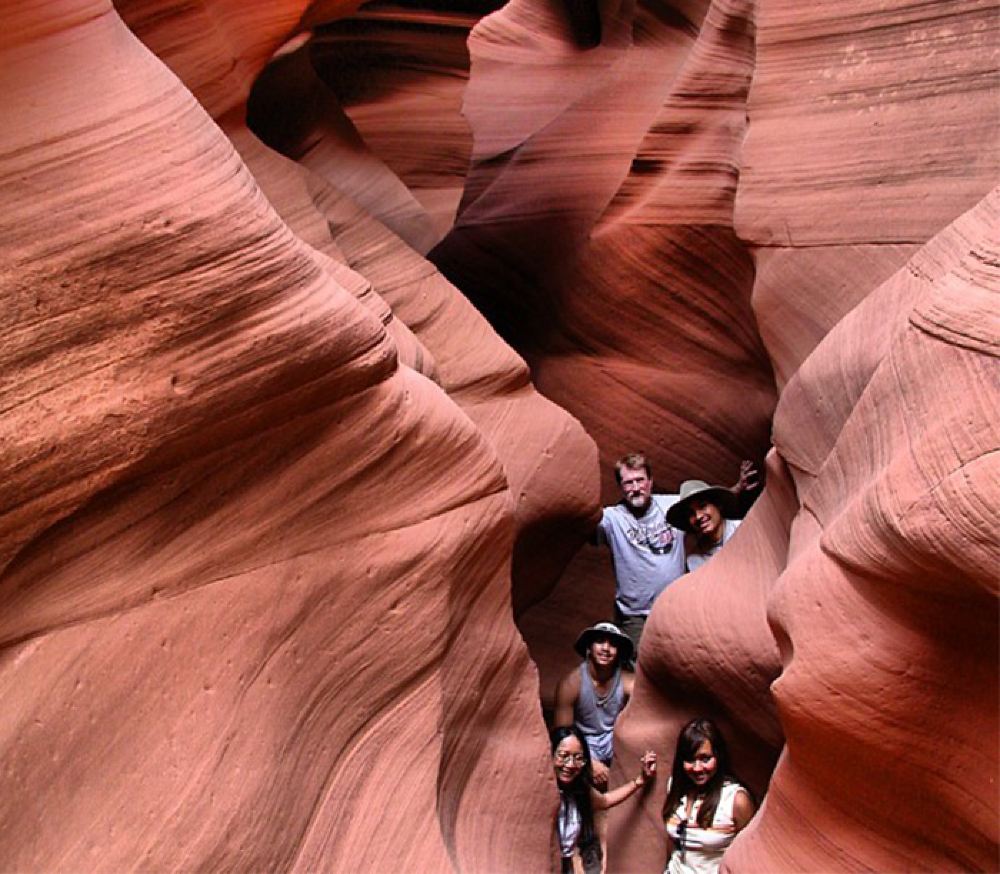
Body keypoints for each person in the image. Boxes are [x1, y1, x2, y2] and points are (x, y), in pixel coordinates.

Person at [594, 454, 756, 662]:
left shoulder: (672, 506)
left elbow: (705, 505)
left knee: (683, 661)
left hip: (675, 609)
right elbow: (582, 525)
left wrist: (737, 489)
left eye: (640, 480)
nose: (635, 488)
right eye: (628, 482)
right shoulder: (611, 519)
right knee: (644, 664)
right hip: (636, 615)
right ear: (620, 487)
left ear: (650, 481)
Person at [552, 726, 657, 874]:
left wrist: (640, 780)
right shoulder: (546, 791)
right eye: (563, 756)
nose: (570, 764)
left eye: (578, 758)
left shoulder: (578, 790)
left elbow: (605, 800)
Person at [661, 718, 755, 874]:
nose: (697, 768)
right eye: (690, 760)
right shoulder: (676, 787)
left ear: (718, 757)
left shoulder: (735, 800)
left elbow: (750, 855)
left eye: (705, 759)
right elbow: (672, 843)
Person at [553, 622, 635, 789]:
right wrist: (590, 761)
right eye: (600, 641)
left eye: (613, 644)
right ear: (589, 648)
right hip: (584, 741)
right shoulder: (571, 684)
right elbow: (563, 736)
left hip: (614, 739)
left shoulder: (628, 682)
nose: (606, 648)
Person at [665, 476, 750, 572]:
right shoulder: (695, 559)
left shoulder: (745, 529)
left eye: (702, 506)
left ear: (718, 505)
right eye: (691, 513)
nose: (698, 516)